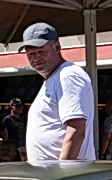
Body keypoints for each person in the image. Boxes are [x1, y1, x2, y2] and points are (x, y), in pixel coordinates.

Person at [20, 22, 96, 163]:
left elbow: (76, 130)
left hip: (65, 178)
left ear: (57, 46)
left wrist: (62, 173)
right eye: (30, 53)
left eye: (41, 51)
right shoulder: (56, 78)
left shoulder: (68, 75)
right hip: (53, 176)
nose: (35, 58)